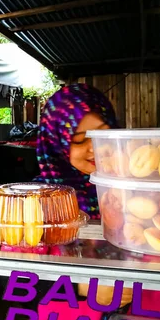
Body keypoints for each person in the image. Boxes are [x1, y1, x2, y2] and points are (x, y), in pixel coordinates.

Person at [35, 83, 117, 220]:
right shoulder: (38, 202)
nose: (96, 148)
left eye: (103, 134)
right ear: (57, 146)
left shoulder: (134, 188)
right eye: (80, 139)